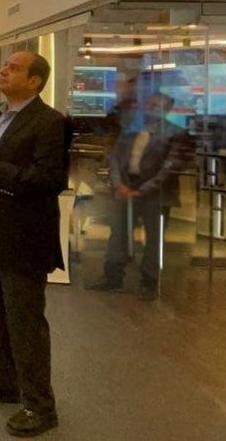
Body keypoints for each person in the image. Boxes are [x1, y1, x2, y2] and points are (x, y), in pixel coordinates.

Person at [0, 51, 67, 438]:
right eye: (4, 65)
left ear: (35, 81)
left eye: (14, 68)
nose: (3, 71)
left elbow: (49, 180)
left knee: (26, 325)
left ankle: (40, 406)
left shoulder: (51, 122)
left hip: (25, 239)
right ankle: (3, 382)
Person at [87, 93, 186, 301]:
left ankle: (150, 283)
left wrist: (144, 189)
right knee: (118, 234)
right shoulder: (131, 128)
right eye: (150, 103)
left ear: (168, 109)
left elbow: (171, 167)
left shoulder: (175, 132)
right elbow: (115, 157)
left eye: (157, 105)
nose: (151, 108)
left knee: (154, 240)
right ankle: (112, 277)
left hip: (156, 194)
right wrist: (119, 184)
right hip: (125, 188)